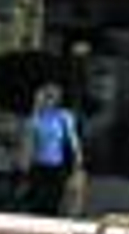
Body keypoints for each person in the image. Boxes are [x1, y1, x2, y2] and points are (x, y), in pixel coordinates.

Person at [20, 83, 82, 217]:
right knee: (37, 204)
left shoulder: (64, 117)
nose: (48, 100)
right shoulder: (35, 119)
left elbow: (72, 139)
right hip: (39, 166)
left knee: (54, 203)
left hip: (58, 167)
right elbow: (28, 145)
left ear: (58, 99)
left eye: (52, 97)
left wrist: (77, 159)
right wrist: (24, 168)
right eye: (46, 96)